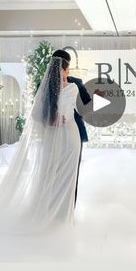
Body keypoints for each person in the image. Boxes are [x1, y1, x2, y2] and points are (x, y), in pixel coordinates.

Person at [0, 55, 82, 234]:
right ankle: (61, 219)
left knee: (53, 176)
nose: (68, 72)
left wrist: (51, 119)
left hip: (55, 139)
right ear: (64, 69)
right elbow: (66, 114)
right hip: (68, 138)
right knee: (63, 178)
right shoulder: (72, 87)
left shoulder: (48, 88)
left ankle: (54, 216)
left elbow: (39, 115)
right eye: (67, 68)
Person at [52, 49, 91, 207]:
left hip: (64, 132)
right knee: (68, 172)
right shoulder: (75, 82)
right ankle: (67, 209)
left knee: (60, 171)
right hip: (62, 133)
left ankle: (60, 207)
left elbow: (85, 104)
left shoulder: (74, 83)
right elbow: (87, 105)